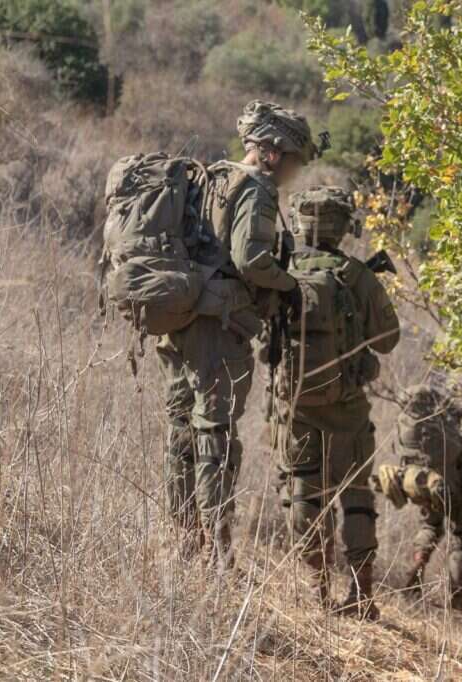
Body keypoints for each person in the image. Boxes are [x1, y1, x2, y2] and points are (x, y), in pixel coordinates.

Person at [158, 100, 319, 568]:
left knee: (182, 431)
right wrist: (289, 285)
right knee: (216, 434)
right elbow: (250, 259)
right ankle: (217, 550)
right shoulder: (257, 189)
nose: (292, 172)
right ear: (271, 152)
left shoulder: (210, 176)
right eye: (292, 161)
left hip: (180, 321)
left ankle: (184, 539)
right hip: (218, 328)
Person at [270, 186, 400, 620]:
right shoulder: (357, 274)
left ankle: (316, 591)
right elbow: (389, 340)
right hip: (349, 410)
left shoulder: (282, 270)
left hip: (296, 407)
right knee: (356, 497)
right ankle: (362, 596)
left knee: (306, 492)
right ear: (344, 226)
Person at [374, 384, 462, 612]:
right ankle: (456, 599)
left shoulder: (409, 421)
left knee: (430, 525)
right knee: (460, 537)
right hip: (449, 486)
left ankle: (415, 573)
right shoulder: (452, 418)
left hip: (418, 483)